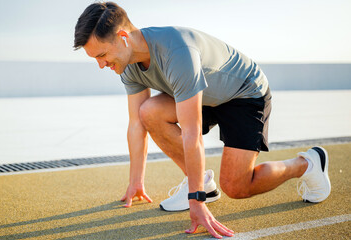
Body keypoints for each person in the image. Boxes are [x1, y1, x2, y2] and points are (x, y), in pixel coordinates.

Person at [73, 2, 331, 238]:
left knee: (237, 186)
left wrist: (196, 201)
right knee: (148, 112)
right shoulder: (126, 64)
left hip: (244, 92)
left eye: (101, 55)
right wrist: (136, 182)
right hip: (204, 94)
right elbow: (136, 124)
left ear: (122, 38)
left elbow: (192, 132)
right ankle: (203, 184)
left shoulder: (177, 51)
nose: (101, 65)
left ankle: (307, 163)